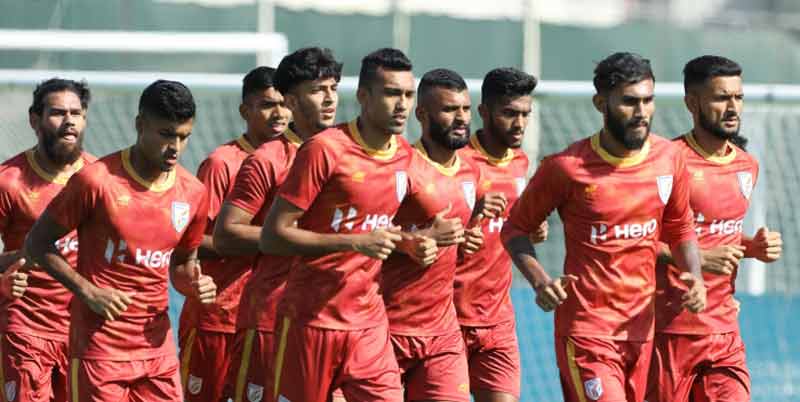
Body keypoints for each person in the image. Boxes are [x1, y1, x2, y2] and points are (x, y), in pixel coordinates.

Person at [501, 52, 707, 402]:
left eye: (647, 100)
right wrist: (540, 281)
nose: (641, 112)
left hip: (641, 330)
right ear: (601, 103)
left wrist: (696, 278)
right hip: (587, 331)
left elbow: (681, 228)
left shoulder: (670, 160)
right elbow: (515, 229)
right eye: (629, 102)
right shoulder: (566, 167)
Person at [25, 80, 217, 402]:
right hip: (100, 351)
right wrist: (87, 291)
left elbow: (183, 265)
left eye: (184, 137)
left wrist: (196, 285)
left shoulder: (193, 192)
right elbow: (37, 243)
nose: (176, 147)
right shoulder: (95, 180)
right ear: (140, 125)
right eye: (166, 134)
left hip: (158, 351)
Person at [262, 48, 424, 402]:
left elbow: (393, 228)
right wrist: (353, 243)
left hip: (369, 324)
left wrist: (414, 242)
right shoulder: (325, 150)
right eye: (392, 93)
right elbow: (274, 236)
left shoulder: (406, 156)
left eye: (408, 95)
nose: (402, 105)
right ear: (364, 96)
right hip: (311, 321)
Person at [647, 55, 783, 402]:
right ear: (692, 103)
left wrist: (753, 247)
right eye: (721, 97)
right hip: (668, 331)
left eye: (738, 96)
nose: (733, 106)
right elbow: (637, 241)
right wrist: (700, 260)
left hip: (724, 331)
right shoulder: (665, 162)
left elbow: (714, 232)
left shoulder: (746, 166)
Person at [212, 47, 342, 402]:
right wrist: (307, 239)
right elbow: (226, 234)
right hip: (271, 317)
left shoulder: (348, 152)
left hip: (336, 316)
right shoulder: (267, 159)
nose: (329, 98)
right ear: (291, 100)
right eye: (318, 90)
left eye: (333, 87)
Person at [381, 68, 497, 402]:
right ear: (422, 114)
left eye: (464, 109)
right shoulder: (401, 165)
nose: (461, 118)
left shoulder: (471, 170)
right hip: (386, 327)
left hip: (442, 331)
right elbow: (363, 231)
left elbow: (451, 234)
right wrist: (410, 243)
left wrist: (466, 238)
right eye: (449, 110)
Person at [178, 66, 290, 402]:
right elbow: (193, 241)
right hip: (217, 317)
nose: (279, 113)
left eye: (284, 104)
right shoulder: (222, 163)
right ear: (245, 111)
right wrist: (272, 241)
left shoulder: (296, 161)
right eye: (268, 104)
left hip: (267, 319)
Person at [0, 78, 96, 402]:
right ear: (34, 119)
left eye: (76, 112)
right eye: (57, 112)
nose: (69, 120)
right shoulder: (9, 182)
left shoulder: (101, 179)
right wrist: (15, 263)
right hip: (25, 329)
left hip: (86, 333)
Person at [454, 67, 539, 402]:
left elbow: (511, 231)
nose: (519, 123)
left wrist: (529, 228)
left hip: (498, 320)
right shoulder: (457, 161)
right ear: (484, 112)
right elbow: (426, 232)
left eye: (525, 114)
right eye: (509, 113)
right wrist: (466, 225)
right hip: (449, 319)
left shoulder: (520, 161)